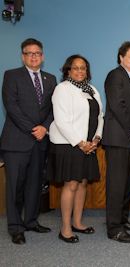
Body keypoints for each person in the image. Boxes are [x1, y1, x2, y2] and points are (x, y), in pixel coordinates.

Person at [0, 38, 56, 244]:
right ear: (23, 56)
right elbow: (11, 107)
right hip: (17, 142)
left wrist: (45, 127)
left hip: (40, 142)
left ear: (43, 56)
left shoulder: (50, 79)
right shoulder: (11, 75)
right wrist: (33, 129)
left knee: (35, 184)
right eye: (29, 53)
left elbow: (53, 109)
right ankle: (15, 227)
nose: (34, 56)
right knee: (15, 186)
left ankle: (31, 221)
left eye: (37, 53)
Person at [47, 55, 103, 243]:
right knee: (71, 184)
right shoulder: (62, 89)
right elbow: (61, 121)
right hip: (68, 144)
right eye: (76, 68)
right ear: (68, 70)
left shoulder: (92, 90)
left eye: (83, 68)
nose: (80, 71)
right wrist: (80, 143)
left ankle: (78, 222)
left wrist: (96, 138)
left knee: (83, 183)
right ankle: (65, 228)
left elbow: (100, 116)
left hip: (89, 144)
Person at [103, 41, 130, 243]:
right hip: (118, 139)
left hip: (128, 140)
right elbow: (118, 107)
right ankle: (114, 228)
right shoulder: (115, 76)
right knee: (116, 186)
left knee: (127, 184)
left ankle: (123, 220)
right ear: (121, 58)